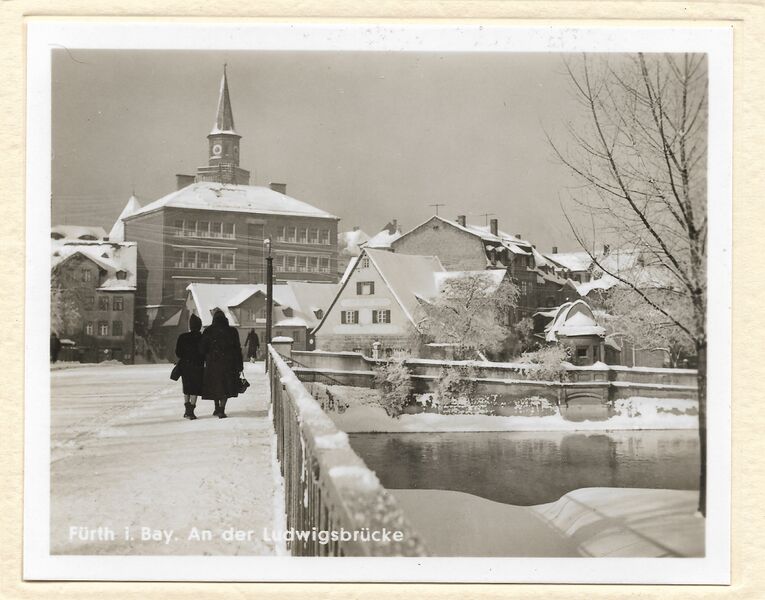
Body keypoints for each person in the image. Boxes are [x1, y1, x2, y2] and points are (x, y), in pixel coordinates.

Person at [199, 310, 244, 418]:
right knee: (225, 386)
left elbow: (202, 349)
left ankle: (216, 407)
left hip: (212, 363)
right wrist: (240, 365)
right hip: (229, 364)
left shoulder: (208, 331)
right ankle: (222, 409)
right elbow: (237, 349)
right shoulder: (232, 331)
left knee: (215, 385)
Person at [175, 314, 205, 420]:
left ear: (190, 325)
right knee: (194, 388)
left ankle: (187, 410)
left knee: (186, 387)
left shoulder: (183, 337)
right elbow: (205, 352)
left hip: (185, 365)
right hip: (198, 365)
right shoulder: (202, 338)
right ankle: (191, 411)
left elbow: (178, 353)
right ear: (199, 326)